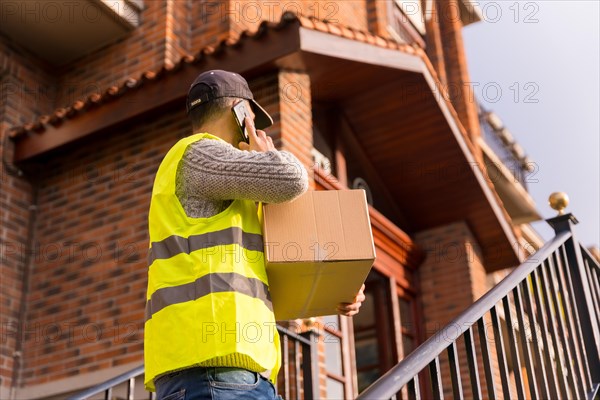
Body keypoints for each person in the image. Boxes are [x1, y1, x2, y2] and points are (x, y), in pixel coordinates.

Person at [144, 70, 366, 400]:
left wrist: (336, 291)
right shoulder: (199, 154)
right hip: (215, 375)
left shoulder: (230, 194)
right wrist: (263, 152)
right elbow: (292, 177)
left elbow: (253, 283)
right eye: (251, 115)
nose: (255, 126)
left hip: (227, 376)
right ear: (240, 110)